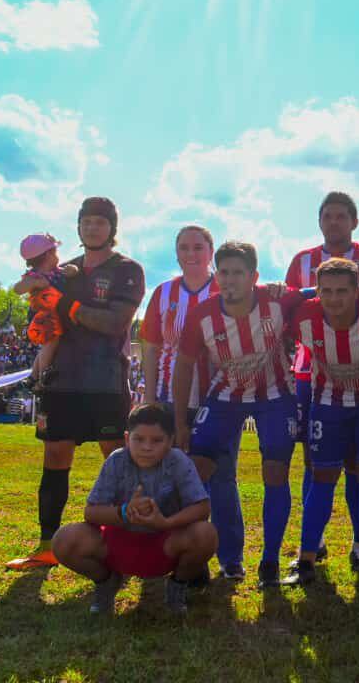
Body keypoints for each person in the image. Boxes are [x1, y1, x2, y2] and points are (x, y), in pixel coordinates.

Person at [7, 197, 146, 571]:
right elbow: (37, 306)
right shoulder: (64, 270)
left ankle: (132, 541)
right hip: (63, 380)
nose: (92, 228)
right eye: (86, 222)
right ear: (79, 227)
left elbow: (115, 322)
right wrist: (38, 306)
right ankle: (47, 546)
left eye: (100, 222)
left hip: (105, 380)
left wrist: (64, 304)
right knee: (54, 458)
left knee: (118, 459)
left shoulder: (127, 270)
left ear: (112, 228)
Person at [172, 241, 304, 588]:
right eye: (224, 273)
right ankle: (203, 555)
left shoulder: (278, 300)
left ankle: (270, 561)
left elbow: (320, 291)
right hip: (225, 395)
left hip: (276, 395)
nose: (230, 280)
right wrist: (180, 422)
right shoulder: (202, 314)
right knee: (198, 469)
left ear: (254, 277)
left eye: (238, 273)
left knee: (274, 472)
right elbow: (183, 366)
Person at [285, 191, 359, 571]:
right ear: (319, 221)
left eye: (341, 216)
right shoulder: (301, 261)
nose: (334, 222)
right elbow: (287, 301)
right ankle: (311, 548)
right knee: (317, 465)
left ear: (354, 221)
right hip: (314, 374)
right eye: (327, 216)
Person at [140, 225, 246, 581]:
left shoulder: (226, 288)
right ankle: (168, 551)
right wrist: (150, 397)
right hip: (172, 399)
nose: (191, 253)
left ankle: (230, 558)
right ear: (176, 252)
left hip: (219, 397)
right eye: (184, 247)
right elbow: (152, 347)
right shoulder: (164, 292)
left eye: (198, 247)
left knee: (221, 477)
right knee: (169, 477)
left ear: (210, 251)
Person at [51, 403, 216, 614]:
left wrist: (165, 523)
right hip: (118, 544)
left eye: (156, 440)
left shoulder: (178, 461)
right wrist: (124, 512)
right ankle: (106, 582)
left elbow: (202, 508)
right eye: (139, 439)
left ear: (170, 441)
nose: (147, 447)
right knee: (65, 540)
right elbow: (91, 512)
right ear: (127, 438)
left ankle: (177, 585)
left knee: (206, 534)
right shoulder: (116, 460)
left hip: (166, 544)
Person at [12, 233, 78, 388]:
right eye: (55, 251)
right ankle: (43, 378)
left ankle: (33, 376)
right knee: (51, 342)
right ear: (49, 254)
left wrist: (73, 270)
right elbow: (17, 288)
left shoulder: (57, 271)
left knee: (46, 347)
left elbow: (72, 271)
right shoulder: (35, 275)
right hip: (43, 317)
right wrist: (33, 282)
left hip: (54, 315)